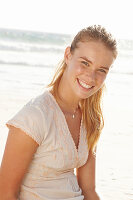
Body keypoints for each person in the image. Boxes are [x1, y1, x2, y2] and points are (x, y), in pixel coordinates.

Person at [0, 25, 117, 200]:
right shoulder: (35, 117)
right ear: (68, 55)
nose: (91, 77)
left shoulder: (91, 118)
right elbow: (5, 193)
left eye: (101, 70)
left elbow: (89, 190)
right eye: (85, 63)